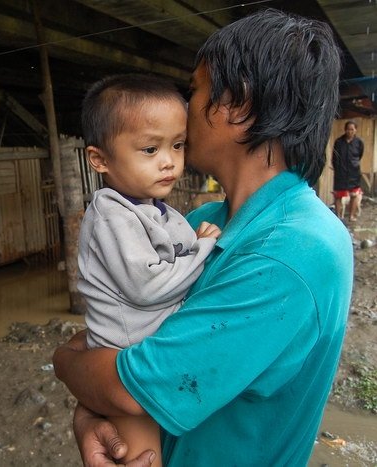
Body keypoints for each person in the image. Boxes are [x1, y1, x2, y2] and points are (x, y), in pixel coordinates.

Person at [53, 8, 353, 466]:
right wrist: (90, 412)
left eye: (194, 90)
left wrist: (65, 363)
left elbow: (131, 385)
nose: (186, 107)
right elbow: (134, 334)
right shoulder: (207, 219)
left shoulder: (293, 252)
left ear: (238, 103)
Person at [77, 74, 221, 464]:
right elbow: (147, 286)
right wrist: (203, 248)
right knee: (143, 458)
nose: (169, 160)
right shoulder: (110, 214)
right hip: (124, 362)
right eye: (149, 149)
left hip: (145, 350)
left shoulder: (155, 210)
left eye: (177, 145)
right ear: (100, 159)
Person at [332, 120, 364, 221]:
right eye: (348, 129)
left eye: (352, 129)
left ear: (355, 130)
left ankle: (352, 216)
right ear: (345, 130)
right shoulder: (338, 142)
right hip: (340, 173)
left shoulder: (359, 142)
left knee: (354, 195)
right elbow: (334, 158)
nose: (349, 131)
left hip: (354, 173)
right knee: (338, 195)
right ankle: (338, 217)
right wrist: (337, 168)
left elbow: (360, 155)